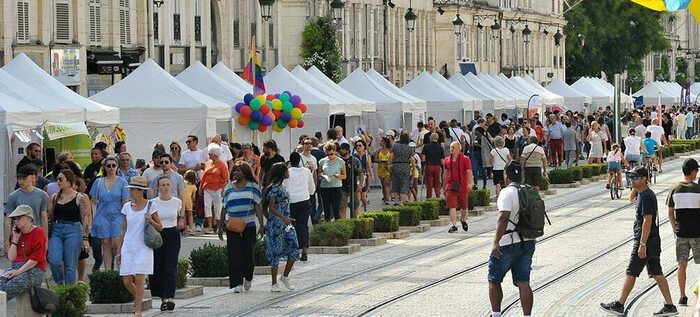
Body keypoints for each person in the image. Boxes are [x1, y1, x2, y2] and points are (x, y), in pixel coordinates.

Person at [601, 166, 678, 316]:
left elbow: (647, 221)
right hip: (652, 240)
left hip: (646, 240)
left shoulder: (647, 196)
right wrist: (635, 186)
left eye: (635, 177)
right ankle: (670, 306)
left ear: (644, 178)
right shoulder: (643, 194)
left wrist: (642, 243)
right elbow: (631, 199)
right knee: (657, 272)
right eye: (630, 177)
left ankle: (619, 304)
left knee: (631, 272)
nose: (632, 180)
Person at [488, 161, 535, 317]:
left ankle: (496, 314)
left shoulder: (506, 192)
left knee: (494, 279)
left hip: (507, 242)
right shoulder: (528, 190)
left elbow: (503, 218)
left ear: (506, 175)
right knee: (524, 282)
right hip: (527, 241)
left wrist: (495, 242)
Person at [116, 176, 163, 316]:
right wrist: (119, 249)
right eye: (131, 189)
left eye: (134, 189)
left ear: (141, 191)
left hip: (144, 245)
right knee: (127, 280)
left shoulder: (150, 205)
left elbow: (160, 227)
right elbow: (124, 229)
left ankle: (137, 309)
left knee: (140, 277)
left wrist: (151, 220)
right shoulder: (126, 207)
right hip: (128, 245)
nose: (131, 191)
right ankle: (140, 298)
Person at [218, 161, 264, 292]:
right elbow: (224, 207)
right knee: (234, 254)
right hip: (232, 225)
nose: (235, 173)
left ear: (245, 173)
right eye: (234, 171)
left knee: (248, 253)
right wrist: (220, 226)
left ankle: (248, 277)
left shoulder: (253, 187)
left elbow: (258, 207)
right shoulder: (229, 187)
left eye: (238, 171)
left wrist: (261, 225)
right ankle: (236, 283)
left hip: (248, 225)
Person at [666, 158, 700, 307]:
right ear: (693, 172)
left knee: (682, 264)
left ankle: (682, 296)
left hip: (681, 233)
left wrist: (675, 229)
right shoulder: (698, 189)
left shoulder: (675, 188)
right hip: (697, 233)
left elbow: (670, 213)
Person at [48, 169, 90, 285]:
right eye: (57, 179)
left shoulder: (79, 197)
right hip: (56, 229)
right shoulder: (55, 197)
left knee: (70, 264)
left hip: (73, 230)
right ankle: (60, 284)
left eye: (61, 179)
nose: (58, 182)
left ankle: (69, 290)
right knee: (54, 260)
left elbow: (85, 218)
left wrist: (85, 238)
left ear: (69, 181)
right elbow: (50, 216)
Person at [263, 163, 300, 292]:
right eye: (286, 170)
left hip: (287, 224)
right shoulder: (274, 188)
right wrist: (280, 218)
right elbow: (270, 207)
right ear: (281, 172)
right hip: (276, 225)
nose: (288, 172)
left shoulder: (282, 187)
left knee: (294, 248)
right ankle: (274, 283)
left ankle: (285, 276)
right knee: (275, 252)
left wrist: (287, 218)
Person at [89, 156, 130, 270]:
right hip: (102, 215)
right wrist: (92, 219)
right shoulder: (98, 182)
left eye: (113, 165)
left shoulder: (122, 182)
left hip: (118, 214)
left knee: (117, 244)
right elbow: (93, 201)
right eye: (108, 166)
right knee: (105, 244)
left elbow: (126, 202)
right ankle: (108, 272)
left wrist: (127, 220)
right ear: (105, 167)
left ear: (117, 167)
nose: (111, 168)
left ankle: (121, 271)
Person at [150, 174, 184, 311]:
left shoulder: (177, 202)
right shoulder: (153, 203)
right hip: (158, 235)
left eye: (168, 185)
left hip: (173, 234)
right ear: (158, 187)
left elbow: (179, 217)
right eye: (163, 185)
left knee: (171, 266)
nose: (166, 187)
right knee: (158, 267)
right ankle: (162, 298)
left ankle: (170, 297)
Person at [0, 205, 47, 300]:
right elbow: (11, 257)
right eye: (15, 219)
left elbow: (35, 259)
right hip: (16, 268)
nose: (16, 221)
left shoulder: (38, 232)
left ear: (29, 218)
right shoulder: (17, 233)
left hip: (34, 270)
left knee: (6, 289)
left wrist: (18, 272)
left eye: (19, 218)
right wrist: (15, 239)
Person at [4, 165, 49, 251]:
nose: (21, 181)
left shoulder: (42, 195)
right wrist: (7, 242)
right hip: (20, 234)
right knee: (20, 262)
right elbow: (8, 219)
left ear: (32, 178)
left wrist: (45, 239)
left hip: (36, 233)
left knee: (36, 261)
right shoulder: (13, 196)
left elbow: (44, 218)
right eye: (19, 179)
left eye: (24, 179)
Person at [284, 152, 315, 261]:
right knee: (303, 226)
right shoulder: (306, 171)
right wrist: (309, 193)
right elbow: (312, 188)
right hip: (304, 200)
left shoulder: (288, 172)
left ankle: (294, 250)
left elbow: (286, 188)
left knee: (291, 226)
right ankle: (305, 250)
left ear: (290, 161)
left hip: (292, 202)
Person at [443, 141, 473, 233]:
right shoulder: (447, 160)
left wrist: (470, 183)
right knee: (451, 206)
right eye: (451, 148)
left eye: (453, 148)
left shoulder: (465, 159)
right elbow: (445, 174)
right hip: (451, 186)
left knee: (464, 207)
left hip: (462, 186)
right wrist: (444, 186)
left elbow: (469, 172)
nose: (451, 149)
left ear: (458, 148)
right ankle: (454, 225)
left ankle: (463, 220)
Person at [200, 144, 230, 234]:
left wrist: (223, 189)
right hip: (207, 187)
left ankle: (218, 226)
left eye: (210, 154)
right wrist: (201, 187)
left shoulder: (222, 165)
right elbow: (204, 175)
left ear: (215, 155)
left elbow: (226, 179)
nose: (209, 155)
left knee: (218, 207)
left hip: (218, 188)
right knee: (207, 206)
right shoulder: (208, 163)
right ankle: (209, 226)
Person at [318, 143, 346, 221]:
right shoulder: (322, 161)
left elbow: (344, 176)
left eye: (332, 154)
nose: (330, 156)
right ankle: (327, 228)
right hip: (325, 187)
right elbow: (319, 175)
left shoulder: (340, 161)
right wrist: (323, 176)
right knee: (326, 210)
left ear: (335, 152)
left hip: (336, 187)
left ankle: (337, 228)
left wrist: (338, 176)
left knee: (336, 210)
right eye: (328, 154)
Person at [339, 143, 364, 218]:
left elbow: (361, 173)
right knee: (342, 208)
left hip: (353, 187)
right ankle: (344, 227)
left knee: (355, 207)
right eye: (340, 149)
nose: (341, 150)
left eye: (343, 149)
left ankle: (354, 224)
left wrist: (360, 185)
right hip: (341, 187)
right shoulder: (338, 161)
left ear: (347, 150)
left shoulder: (354, 160)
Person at [391, 132, 413, 206]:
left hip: (396, 165)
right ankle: (402, 202)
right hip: (405, 165)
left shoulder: (395, 146)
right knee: (404, 183)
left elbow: (391, 157)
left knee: (395, 182)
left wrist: (389, 164)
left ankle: (396, 200)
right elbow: (412, 159)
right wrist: (414, 166)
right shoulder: (409, 148)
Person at [353, 139, 373, 213]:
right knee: (357, 195)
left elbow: (369, 166)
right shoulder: (353, 156)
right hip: (356, 176)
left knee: (363, 196)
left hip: (364, 176)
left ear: (364, 147)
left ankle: (365, 208)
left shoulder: (367, 156)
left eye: (360, 145)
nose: (358, 147)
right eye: (357, 146)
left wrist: (371, 175)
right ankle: (357, 211)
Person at [423, 133, 445, 199]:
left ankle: (429, 196)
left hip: (429, 165)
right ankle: (438, 195)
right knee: (437, 182)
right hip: (437, 166)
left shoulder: (426, 146)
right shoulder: (440, 147)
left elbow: (423, 158)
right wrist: (443, 168)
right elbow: (442, 161)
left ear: (431, 138)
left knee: (429, 182)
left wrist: (423, 164)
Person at [375, 137, 392, 205]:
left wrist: (389, 162)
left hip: (387, 169)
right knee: (383, 184)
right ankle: (385, 196)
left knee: (386, 183)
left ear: (385, 142)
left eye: (381, 141)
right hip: (380, 168)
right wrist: (378, 160)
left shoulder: (390, 151)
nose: (380, 142)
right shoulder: (378, 151)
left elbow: (391, 158)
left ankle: (387, 198)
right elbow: (375, 159)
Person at [182, 170, 197, 236]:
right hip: (189, 201)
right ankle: (191, 229)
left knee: (184, 215)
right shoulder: (193, 186)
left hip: (182, 201)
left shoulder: (183, 183)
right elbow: (193, 197)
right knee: (190, 215)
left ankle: (185, 230)